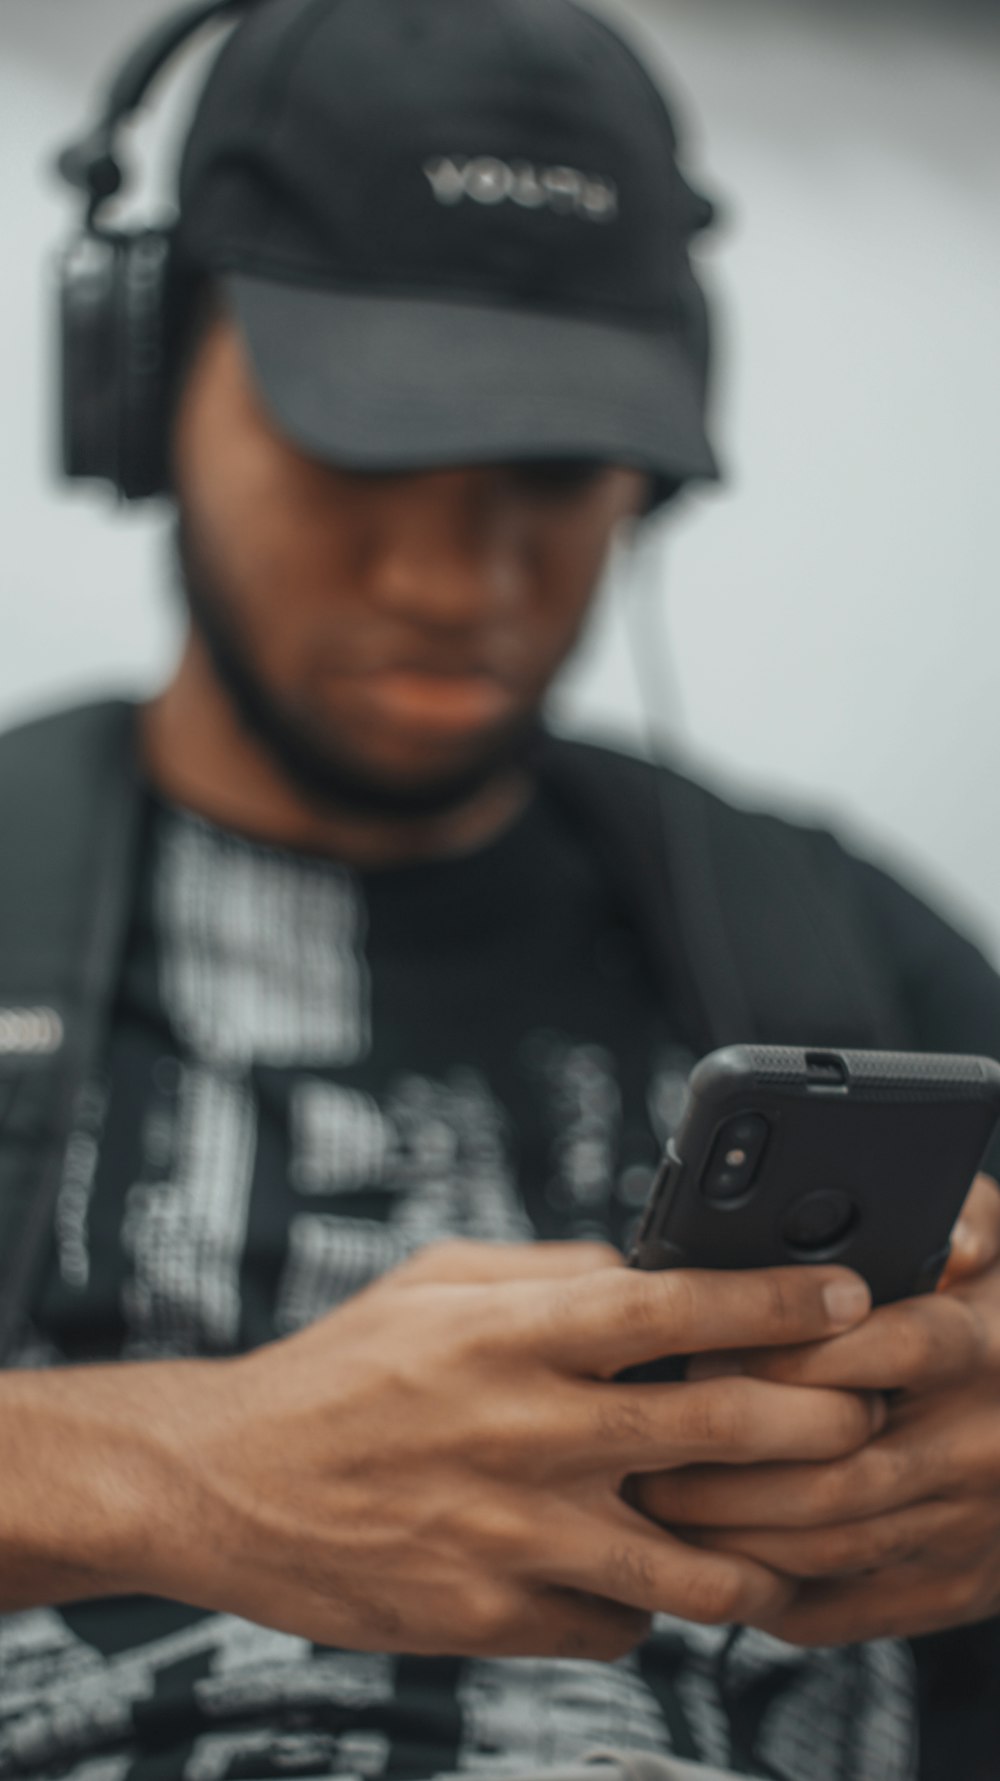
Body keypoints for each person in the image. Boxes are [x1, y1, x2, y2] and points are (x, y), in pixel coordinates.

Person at [1, 2, 999, 1779]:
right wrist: (166, 1466)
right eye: (369, 445)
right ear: (141, 380)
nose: (459, 572)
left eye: (550, 466)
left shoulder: (849, 951)